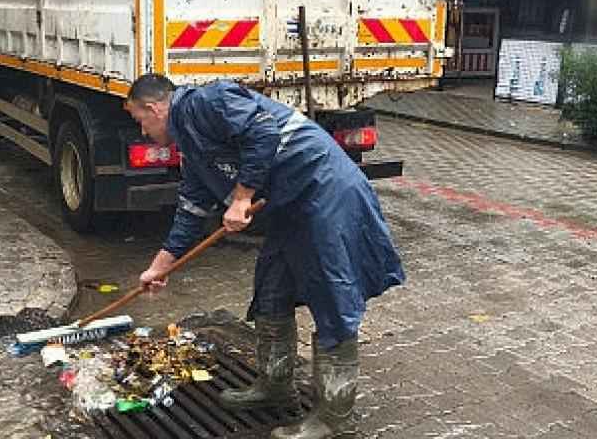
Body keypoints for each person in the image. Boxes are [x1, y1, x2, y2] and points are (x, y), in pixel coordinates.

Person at [125, 73, 405, 439]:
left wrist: (241, 198)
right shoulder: (191, 145)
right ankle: (275, 384)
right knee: (272, 291)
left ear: (154, 107)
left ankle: (337, 417)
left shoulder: (205, 101)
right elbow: (191, 210)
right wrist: (159, 267)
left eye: (140, 121)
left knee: (333, 299)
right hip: (288, 207)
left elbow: (263, 129)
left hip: (323, 193)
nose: (143, 132)